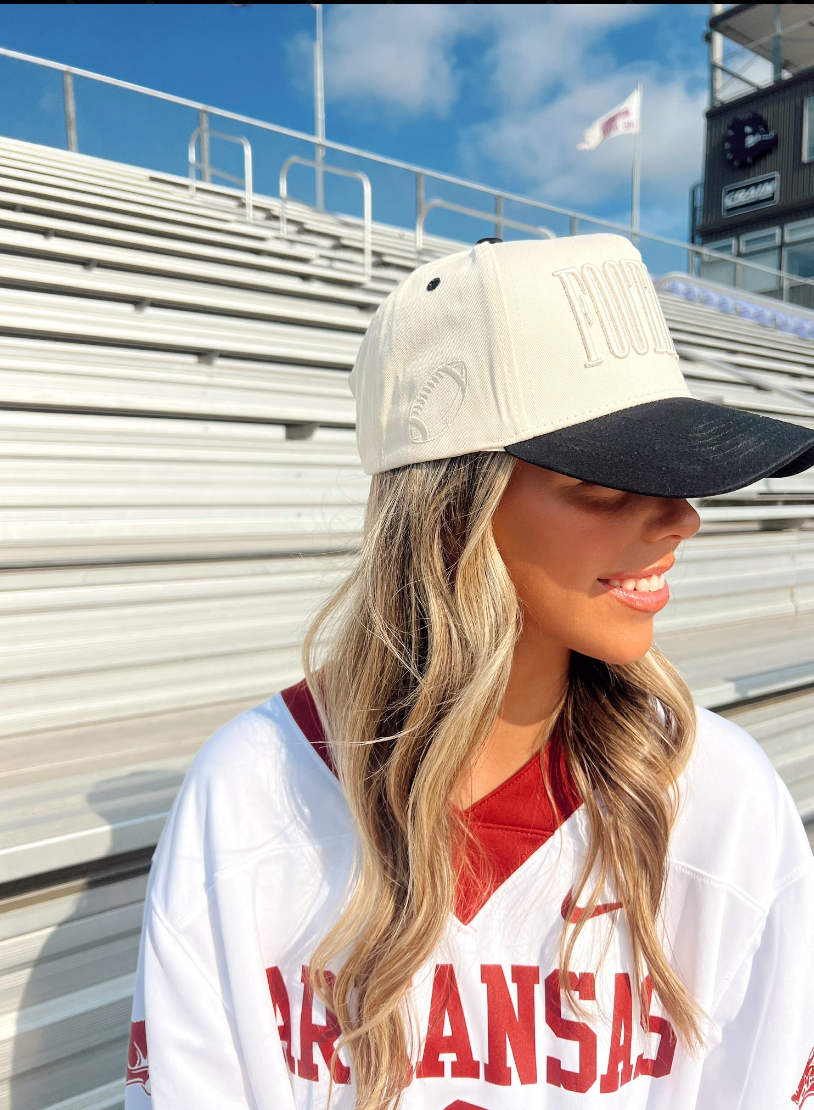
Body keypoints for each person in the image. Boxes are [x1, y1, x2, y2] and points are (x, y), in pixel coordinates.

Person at [125, 235, 814, 1110]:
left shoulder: (717, 801)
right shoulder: (251, 796)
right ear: (451, 510)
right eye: (610, 483)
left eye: (677, 478)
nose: (681, 519)